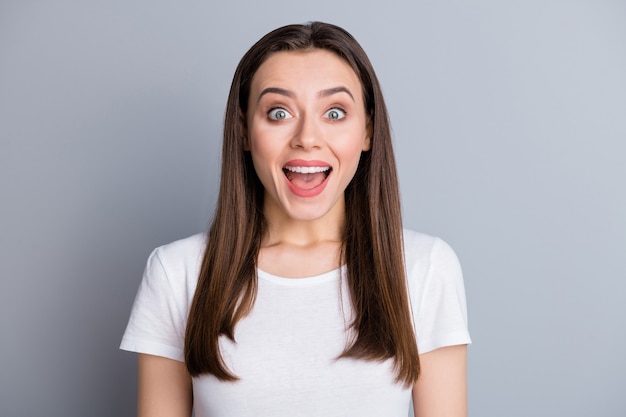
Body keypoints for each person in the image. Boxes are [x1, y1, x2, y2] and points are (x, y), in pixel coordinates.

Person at [120, 21, 471, 417]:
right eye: (279, 112)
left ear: (368, 130)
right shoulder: (177, 272)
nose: (307, 136)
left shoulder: (424, 268)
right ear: (243, 131)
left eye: (334, 112)